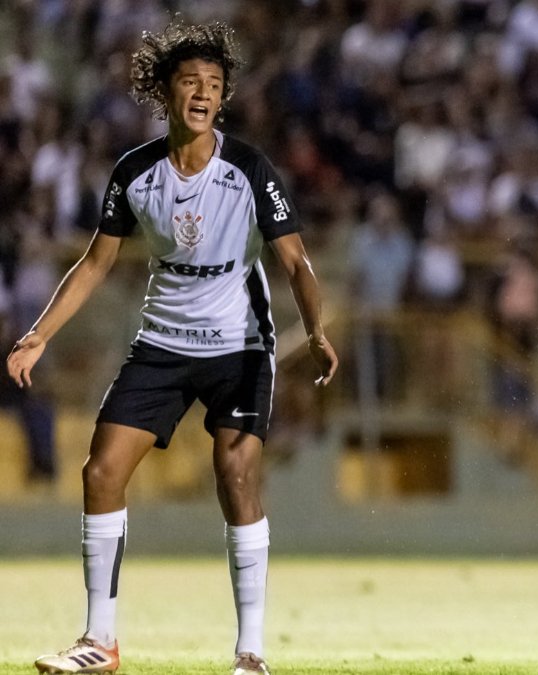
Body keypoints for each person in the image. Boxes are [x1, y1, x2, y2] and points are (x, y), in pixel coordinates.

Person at [9, 19, 338, 675]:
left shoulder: (248, 168)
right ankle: (99, 643)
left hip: (240, 345)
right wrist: (39, 334)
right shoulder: (134, 172)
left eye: (214, 84)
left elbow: (296, 263)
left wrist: (318, 329)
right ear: (165, 91)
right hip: (161, 340)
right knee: (100, 471)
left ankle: (251, 652)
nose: (203, 93)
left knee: (236, 474)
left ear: (223, 98)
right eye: (190, 81)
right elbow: (95, 264)